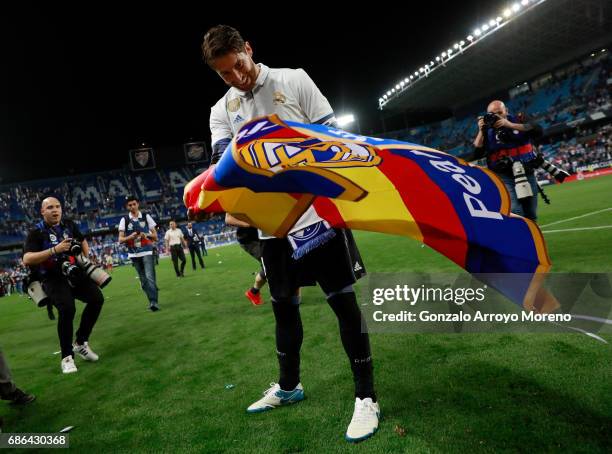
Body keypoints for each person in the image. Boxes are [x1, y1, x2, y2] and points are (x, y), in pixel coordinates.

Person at [202, 25, 377, 442]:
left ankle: (366, 397)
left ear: (249, 49)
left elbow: (334, 139)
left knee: (343, 304)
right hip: (271, 227)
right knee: (283, 307)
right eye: (225, 74)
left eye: (239, 66)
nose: (237, 78)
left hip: (317, 216)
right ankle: (289, 386)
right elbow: (222, 166)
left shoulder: (294, 79)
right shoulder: (221, 110)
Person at [23, 197, 105, 374]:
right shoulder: (36, 232)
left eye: (58, 206)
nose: (55, 210)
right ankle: (67, 357)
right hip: (52, 277)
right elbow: (27, 258)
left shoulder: (69, 224)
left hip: (73, 271)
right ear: (42, 212)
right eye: (50, 207)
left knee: (97, 299)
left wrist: (83, 257)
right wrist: (55, 250)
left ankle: (81, 342)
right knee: (67, 309)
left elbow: (82, 241)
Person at [470, 100, 543, 221]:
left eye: (500, 112)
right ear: (488, 114)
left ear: (506, 111)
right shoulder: (486, 130)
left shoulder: (519, 119)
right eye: (493, 113)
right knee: (515, 210)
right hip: (503, 175)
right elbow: (476, 153)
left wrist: (509, 124)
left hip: (526, 171)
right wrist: (480, 130)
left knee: (531, 212)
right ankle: (521, 237)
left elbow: (538, 130)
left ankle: (532, 238)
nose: (497, 115)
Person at [118, 196, 160, 312]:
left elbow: (155, 236)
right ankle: (152, 293)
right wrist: (130, 237)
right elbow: (120, 240)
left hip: (147, 250)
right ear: (127, 207)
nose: (132, 206)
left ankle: (153, 302)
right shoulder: (124, 220)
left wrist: (145, 234)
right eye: (130, 205)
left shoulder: (146, 217)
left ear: (138, 204)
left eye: (134, 204)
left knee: (149, 276)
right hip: (133, 254)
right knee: (143, 280)